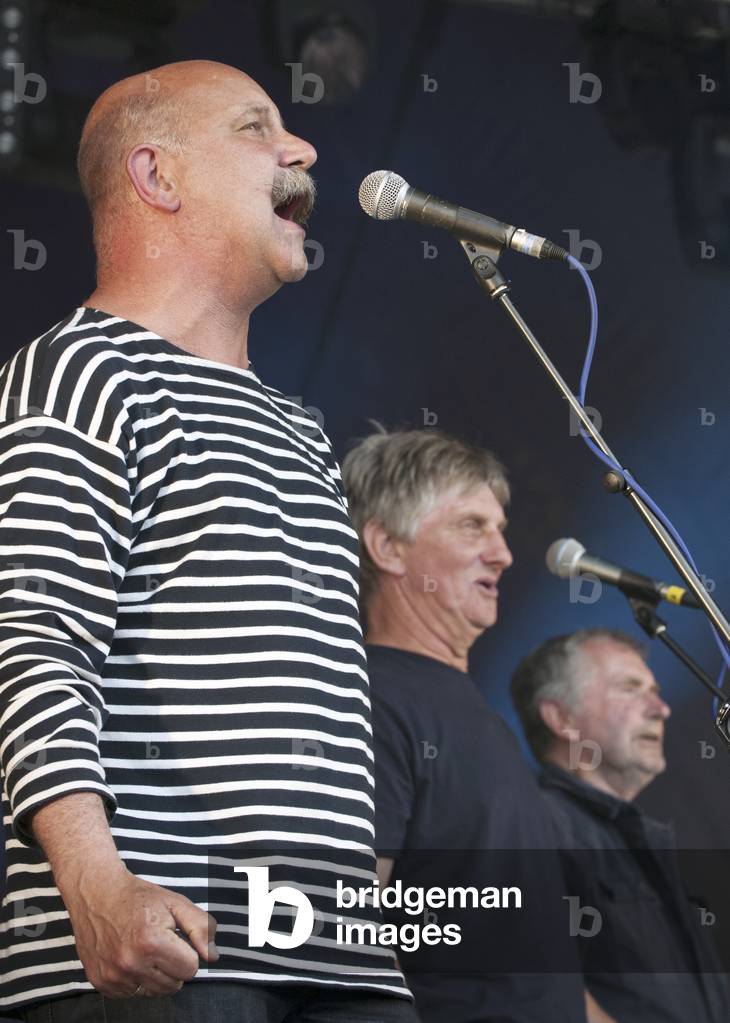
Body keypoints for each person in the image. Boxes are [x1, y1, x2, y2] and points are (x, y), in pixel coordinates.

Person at [0, 60, 417, 1023]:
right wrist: (98, 887)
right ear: (158, 177)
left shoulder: (300, 427)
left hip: (333, 958)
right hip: (164, 957)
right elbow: (30, 643)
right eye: (253, 127)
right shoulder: (81, 372)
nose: (302, 149)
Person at [341, 426, 587, 1023]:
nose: (502, 552)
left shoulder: (480, 716)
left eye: (499, 529)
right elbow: (346, 927)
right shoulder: (367, 699)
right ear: (388, 546)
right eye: (471, 526)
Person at [510, 628, 730, 1023]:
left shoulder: (638, 837)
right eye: (630, 688)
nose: (660, 708)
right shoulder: (534, 826)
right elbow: (535, 983)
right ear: (562, 718)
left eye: (655, 689)